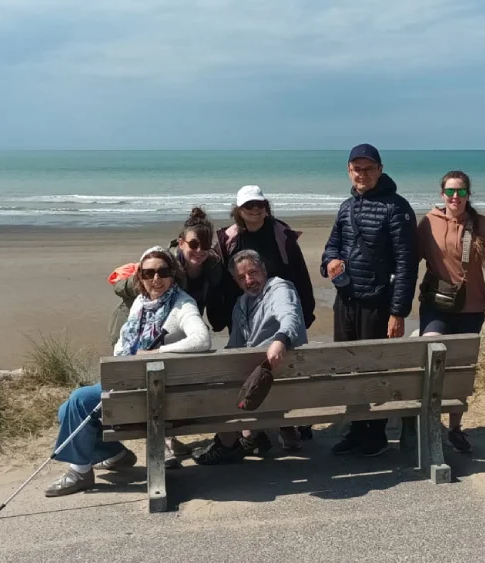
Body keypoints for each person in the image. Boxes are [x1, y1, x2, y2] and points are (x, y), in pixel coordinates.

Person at [45, 247, 211, 497]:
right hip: (131, 384)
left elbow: (202, 339)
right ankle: (114, 454)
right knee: (66, 410)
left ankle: (80, 472)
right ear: (140, 277)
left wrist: (156, 352)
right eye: (149, 273)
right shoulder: (140, 304)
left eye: (163, 271)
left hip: (155, 395)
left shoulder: (182, 304)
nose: (156, 278)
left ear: (173, 274)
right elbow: (124, 343)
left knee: (78, 401)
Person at [322, 143, 418, 457]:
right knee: (348, 368)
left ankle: (376, 434)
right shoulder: (346, 207)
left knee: (374, 370)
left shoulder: (397, 208)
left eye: (368, 169)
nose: (362, 175)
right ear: (348, 171)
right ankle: (356, 428)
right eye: (356, 169)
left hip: (378, 303)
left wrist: (398, 312)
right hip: (345, 301)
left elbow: (406, 264)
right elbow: (332, 245)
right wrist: (329, 263)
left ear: (380, 170)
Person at [193, 249, 308, 464]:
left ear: (263, 269)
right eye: (241, 277)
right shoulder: (241, 305)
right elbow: (233, 346)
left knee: (219, 392)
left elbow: (290, 316)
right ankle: (253, 435)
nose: (249, 280)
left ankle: (227, 445)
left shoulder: (280, 289)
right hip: (267, 383)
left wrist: (281, 340)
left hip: (279, 381)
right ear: (236, 282)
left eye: (253, 272)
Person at [417, 171, 485, 453]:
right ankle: (427, 423)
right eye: (451, 191)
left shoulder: (481, 224)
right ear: (442, 194)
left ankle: (455, 429)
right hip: (436, 304)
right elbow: (407, 257)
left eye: (462, 191)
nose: (456, 197)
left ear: (468, 194)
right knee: (430, 355)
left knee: (460, 369)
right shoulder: (428, 222)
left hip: (471, 307)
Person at [110, 208, 227, 344]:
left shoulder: (213, 268)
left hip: (172, 324)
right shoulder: (164, 265)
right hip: (132, 323)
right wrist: (141, 282)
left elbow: (211, 302)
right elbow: (120, 288)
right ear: (181, 243)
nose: (199, 250)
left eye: (205, 245)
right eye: (193, 244)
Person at [218, 185, 316, 331]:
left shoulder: (282, 235)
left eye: (260, 204)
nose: (255, 209)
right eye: (249, 205)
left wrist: (306, 314)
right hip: (243, 318)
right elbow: (221, 282)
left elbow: (301, 275)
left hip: (280, 314)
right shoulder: (228, 239)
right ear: (239, 210)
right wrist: (221, 318)